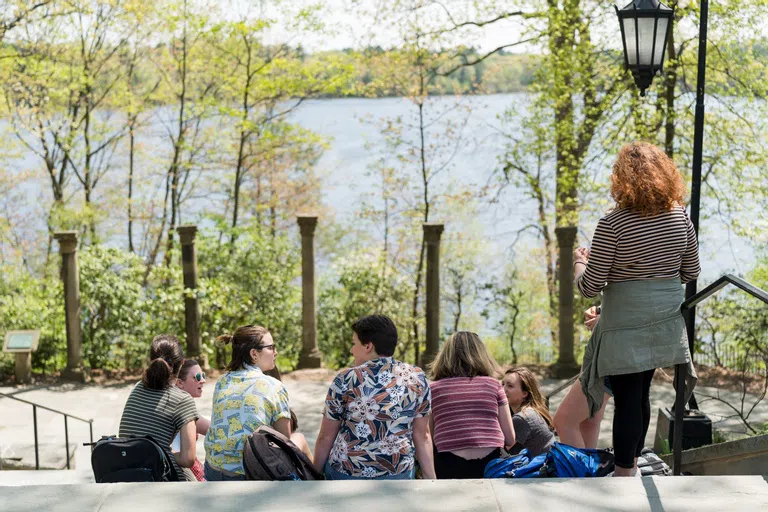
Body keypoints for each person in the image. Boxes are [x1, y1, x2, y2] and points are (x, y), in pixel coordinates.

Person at [574, 142, 700, 477]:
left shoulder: (612, 224)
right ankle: (629, 470)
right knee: (641, 393)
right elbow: (691, 272)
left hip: (624, 326)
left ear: (621, 179)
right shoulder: (679, 218)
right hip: (662, 322)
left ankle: (624, 474)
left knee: (628, 398)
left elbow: (589, 286)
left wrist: (578, 263)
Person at [313, 314, 436, 480]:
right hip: (398, 474)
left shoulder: (346, 379)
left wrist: (313, 476)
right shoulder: (416, 377)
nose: (351, 350)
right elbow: (423, 436)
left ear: (368, 346)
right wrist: (432, 481)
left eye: (354, 343)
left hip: (347, 474)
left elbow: (326, 436)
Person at [203, 325, 291, 481]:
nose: (275, 352)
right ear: (254, 354)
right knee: (298, 440)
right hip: (249, 474)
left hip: (213, 470)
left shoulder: (222, 381)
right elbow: (285, 440)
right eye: (271, 347)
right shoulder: (274, 386)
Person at [429, 331, 516, 479]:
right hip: (491, 464)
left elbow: (429, 437)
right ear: (481, 355)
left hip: (448, 465)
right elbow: (510, 438)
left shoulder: (434, 389)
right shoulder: (494, 385)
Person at [118, 334, 198, 481]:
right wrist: (159, 453)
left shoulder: (138, 387)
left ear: (151, 361)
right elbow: (188, 459)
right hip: (159, 477)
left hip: (127, 468)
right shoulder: (183, 400)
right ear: (182, 363)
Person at [552, 306, 612, 449]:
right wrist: (600, 309)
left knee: (563, 421)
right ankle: (588, 469)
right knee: (588, 421)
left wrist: (605, 321)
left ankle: (580, 471)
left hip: (610, 352)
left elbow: (639, 302)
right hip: (602, 348)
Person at [502, 367, 554, 457]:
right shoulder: (531, 411)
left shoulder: (522, 418)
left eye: (510, 386)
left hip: (543, 469)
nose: (503, 389)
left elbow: (499, 450)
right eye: (502, 384)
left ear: (524, 393)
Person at [172, 359, 209, 481]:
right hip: (181, 468)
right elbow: (214, 429)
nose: (203, 380)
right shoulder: (181, 408)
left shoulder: (175, 402)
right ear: (180, 383)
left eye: (203, 375)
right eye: (197, 377)